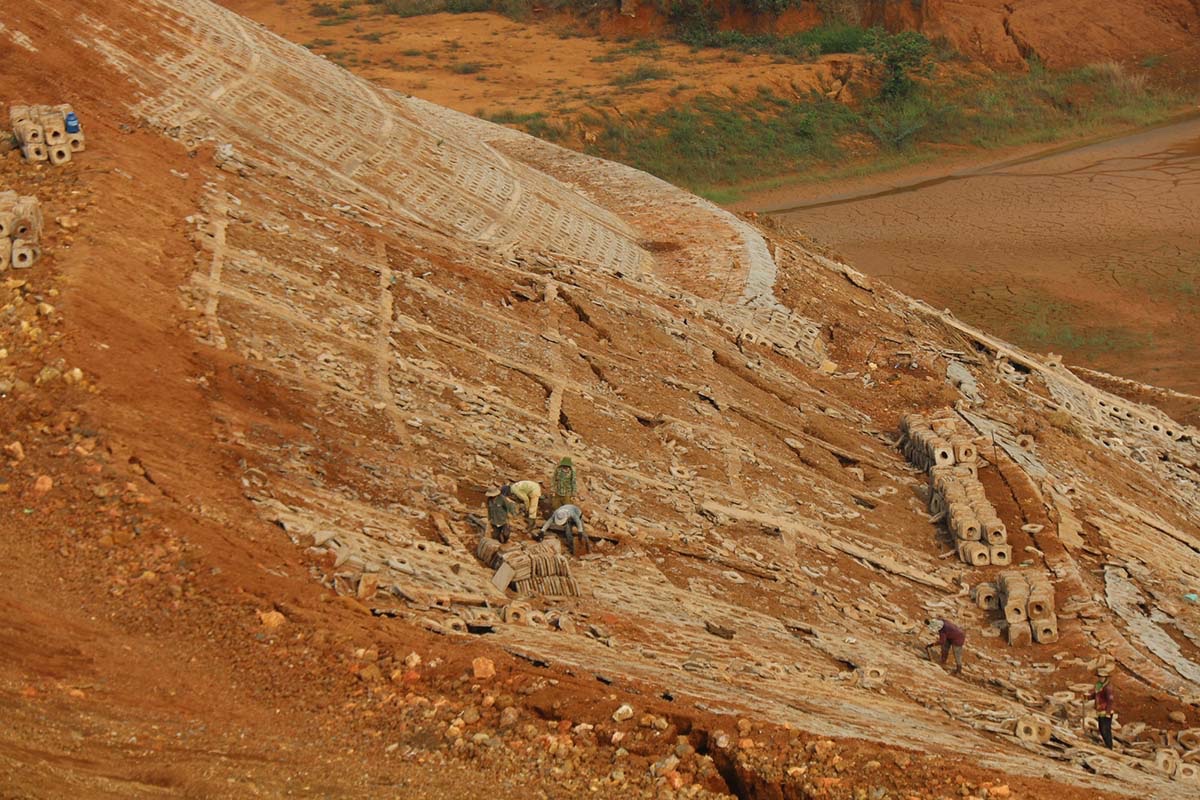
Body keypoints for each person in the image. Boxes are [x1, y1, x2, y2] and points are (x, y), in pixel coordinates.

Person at [1094, 669, 1115, 749]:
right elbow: (1097, 695)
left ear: (1105, 678)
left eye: (1102, 677)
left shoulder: (1108, 687)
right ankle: (1107, 744)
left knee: (1106, 729)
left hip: (1106, 710)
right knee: (1101, 728)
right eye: (1099, 677)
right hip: (1100, 709)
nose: (1100, 678)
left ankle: (1109, 746)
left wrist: (1108, 712)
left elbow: (1110, 700)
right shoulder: (1099, 685)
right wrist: (1087, 697)